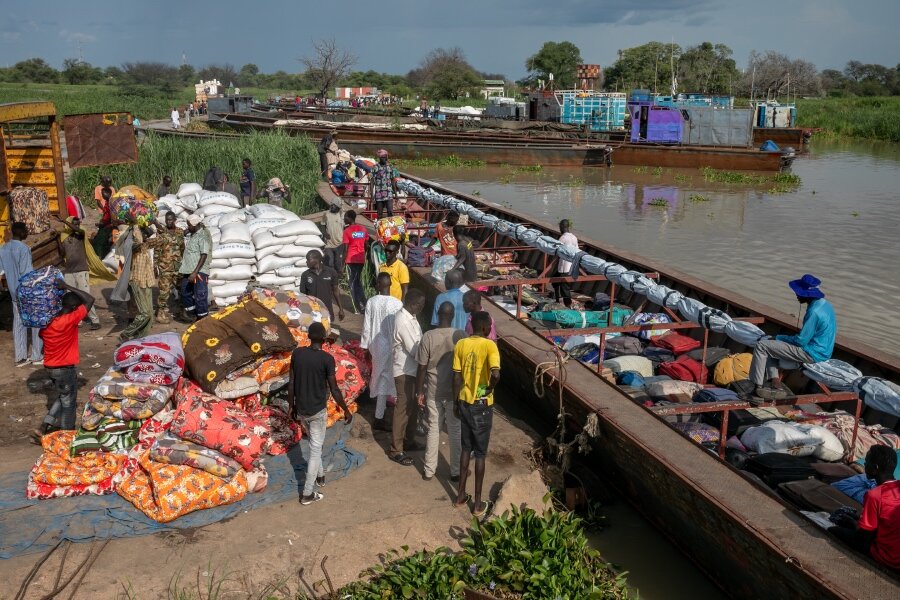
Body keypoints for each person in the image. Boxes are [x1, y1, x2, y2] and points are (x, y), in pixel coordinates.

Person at [287, 322, 353, 505]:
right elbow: (334, 389)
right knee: (315, 449)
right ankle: (308, 493)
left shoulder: (297, 354)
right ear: (324, 340)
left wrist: (291, 407)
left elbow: (291, 384)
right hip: (317, 410)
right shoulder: (326, 359)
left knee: (315, 443)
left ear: (309, 337)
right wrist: (345, 409)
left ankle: (320, 476)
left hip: (301, 409)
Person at [750, 274, 837, 399]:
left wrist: (779, 337)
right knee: (771, 347)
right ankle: (776, 383)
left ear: (806, 294)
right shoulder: (825, 304)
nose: (796, 295)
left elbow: (801, 341)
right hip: (824, 350)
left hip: (812, 353)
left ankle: (756, 387)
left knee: (761, 345)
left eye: (798, 293)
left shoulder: (814, 312)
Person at [33, 279, 95, 440]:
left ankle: (43, 426)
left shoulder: (48, 323)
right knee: (69, 404)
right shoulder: (70, 320)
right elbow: (90, 299)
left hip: (50, 367)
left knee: (63, 396)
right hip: (64, 369)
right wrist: (66, 286)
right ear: (74, 307)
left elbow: (42, 337)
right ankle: (68, 437)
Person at [453, 311, 501, 517]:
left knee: (466, 448)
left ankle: (460, 495)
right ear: (486, 328)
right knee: (480, 454)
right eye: (490, 326)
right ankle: (478, 502)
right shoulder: (490, 345)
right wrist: (489, 388)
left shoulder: (461, 344)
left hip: (463, 400)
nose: (491, 329)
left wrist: (456, 402)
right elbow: (496, 373)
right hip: (482, 404)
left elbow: (456, 377)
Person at [417, 301, 465, 481]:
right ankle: (456, 471)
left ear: (437, 313)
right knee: (455, 431)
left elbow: (421, 368)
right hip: (455, 392)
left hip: (433, 391)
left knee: (433, 429)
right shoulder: (460, 335)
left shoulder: (428, 336)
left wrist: (419, 391)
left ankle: (429, 470)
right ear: (452, 316)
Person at [829, 445, 899, 569]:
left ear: (875, 468)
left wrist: (851, 523)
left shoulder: (875, 496)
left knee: (833, 530)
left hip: (889, 557)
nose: (864, 465)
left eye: (866, 462)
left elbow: (864, 538)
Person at [360, 273, 403, 432]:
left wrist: (365, 347)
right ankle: (386, 414)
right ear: (390, 284)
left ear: (379, 284)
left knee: (380, 378)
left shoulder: (372, 302)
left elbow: (367, 327)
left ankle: (380, 414)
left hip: (377, 345)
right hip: (392, 346)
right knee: (391, 378)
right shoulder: (397, 303)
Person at [389, 289, 425, 466]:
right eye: (421, 305)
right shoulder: (403, 320)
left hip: (412, 370)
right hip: (404, 371)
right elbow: (415, 350)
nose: (422, 308)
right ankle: (396, 449)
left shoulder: (411, 317)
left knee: (412, 408)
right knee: (402, 409)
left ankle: (409, 440)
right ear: (414, 304)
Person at [0, 222, 43, 366]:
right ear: (21, 232)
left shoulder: (3, 249)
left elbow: (1, 272)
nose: (27, 233)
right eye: (26, 231)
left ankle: (20, 357)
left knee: (18, 323)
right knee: (36, 322)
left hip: (13, 292)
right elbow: (27, 273)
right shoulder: (24, 249)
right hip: (26, 291)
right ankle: (36, 355)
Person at [57, 217, 102, 330]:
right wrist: (58, 240)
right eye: (75, 223)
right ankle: (77, 320)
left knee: (85, 295)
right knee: (71, 297)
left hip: (81, 270)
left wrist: (64, 221)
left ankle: (95, 320)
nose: (78, 225)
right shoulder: (64, 237)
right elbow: (62, 253)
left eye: (78, 223)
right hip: (69, 271)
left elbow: (78, 230)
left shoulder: (80, 234)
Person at [118, 225, 156, 343]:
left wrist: (144, 224)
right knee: (144, 313)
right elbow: (136, 245)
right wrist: (135, 225)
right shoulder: (131, 244)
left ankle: (141, 338)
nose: (145, 235)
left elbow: (151, 234)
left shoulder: (146, 243)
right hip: (137, 280)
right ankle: (126, 333)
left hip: (147, 280)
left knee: (150, 315)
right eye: (142, 233)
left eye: (145, 234)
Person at [146, 211, 185, 324]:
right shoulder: (161, 233)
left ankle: (181, 311)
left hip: (178, 267)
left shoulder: (179, 232)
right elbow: (157, 250)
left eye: (171, 219)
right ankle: (161, 314)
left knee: (181, 290)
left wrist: (183, 263)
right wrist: (155, 266)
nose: (169, 222)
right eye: (167, 220)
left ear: (175, 220)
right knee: (164, 292)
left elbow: (183, 248)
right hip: (165, 267)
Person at [177, 214, 212, 322]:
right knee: (184, 292)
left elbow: (204, 254)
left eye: (189, 225)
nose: (188, 228)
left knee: (200, 296)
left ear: (195, 225)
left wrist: (195, 272)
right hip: (188, 270)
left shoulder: (203, 236)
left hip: (199, 272)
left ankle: (202, 320)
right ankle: (194, 314)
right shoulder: (194, 235)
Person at [299, 249, 345, 321]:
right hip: (312, 310)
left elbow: (336, 291)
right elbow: (302, 295)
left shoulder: (331, 272)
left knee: (327, 330)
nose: (306, 262)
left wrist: (341, 309)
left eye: (308, 259)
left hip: (327, 309)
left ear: (316, 260)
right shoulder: (305, 275)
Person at [342, 210, 369, 312]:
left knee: (352, 283)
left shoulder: (347, 231)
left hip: (350, 260)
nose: (344, 219)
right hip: (361, 259)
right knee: (358, 282)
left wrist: (342, 264)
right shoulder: (363, 229)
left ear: (349, 218)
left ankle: (357, 307)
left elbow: (345, 249)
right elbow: (366, 244)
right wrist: (363, 253)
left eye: (345, 217)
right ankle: (365, 304)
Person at [554, 219, 578, 308]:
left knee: (565, 288)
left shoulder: (563, 238)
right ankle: (557, 299)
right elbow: (577, 251)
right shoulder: (574, 237)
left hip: (564, 267)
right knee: (555, 282)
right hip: (572, 266)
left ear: (562, 227)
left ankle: (568, 305)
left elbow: (556, 249)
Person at [370, 149, 399, 219]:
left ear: (386, 158)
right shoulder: (375, 167)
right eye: (381, 157)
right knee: (379, 214)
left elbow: (393, 181)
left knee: (390, 212)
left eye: (384, 157)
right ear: (379, 158)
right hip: (379, 194)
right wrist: (371, 195)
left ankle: (391, 228)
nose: (383, 159)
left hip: (389, 193)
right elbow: (372, 182)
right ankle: (380, 229)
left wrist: (395, 194)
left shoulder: (390, 167)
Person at [323, 203, 345, 270]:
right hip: (329, 244)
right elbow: (322, 225)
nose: (332, 206)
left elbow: (346, 226)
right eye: (331, 205)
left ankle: (338, 278)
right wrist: (325, 233)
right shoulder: (326, 214)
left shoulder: (342, 215)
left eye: (334, 205)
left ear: (338, 207)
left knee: (338, 264)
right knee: (329, 263)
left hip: (340, 243)